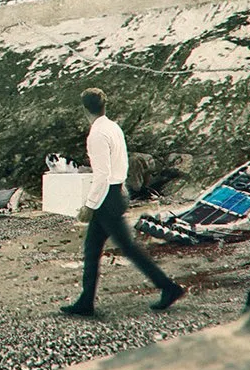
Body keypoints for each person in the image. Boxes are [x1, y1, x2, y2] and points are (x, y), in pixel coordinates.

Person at [62, 87, 184, 316]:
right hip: (117, 193)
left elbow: (102, 175)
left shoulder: (97, 135)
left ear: (84, 109)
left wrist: (89, 204)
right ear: (103, 106)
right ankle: (86, 301)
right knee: (92, 249)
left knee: (127, 248)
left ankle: (169, 287)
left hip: (106, 198)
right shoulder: (113, 127)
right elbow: (121, 165)